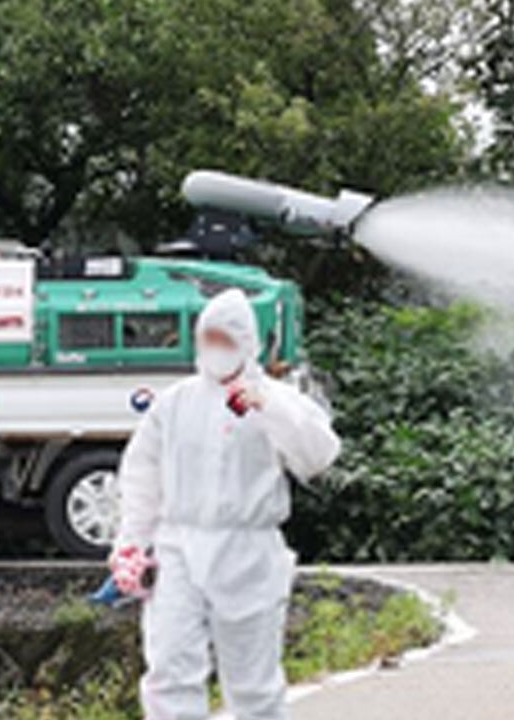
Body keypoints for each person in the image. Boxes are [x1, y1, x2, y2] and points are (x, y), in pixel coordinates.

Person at [110, 288, 342, 720]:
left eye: (226, 339)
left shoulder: (277, 398)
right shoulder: (175, 403)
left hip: (248, 553)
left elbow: (317, 456)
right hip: (177, 547)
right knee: (170, 670)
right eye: (209, 338)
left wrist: (269, 408)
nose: (216, 349)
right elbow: (142, 476)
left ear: (247, 344)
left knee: (252, 681)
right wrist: (131, 544)